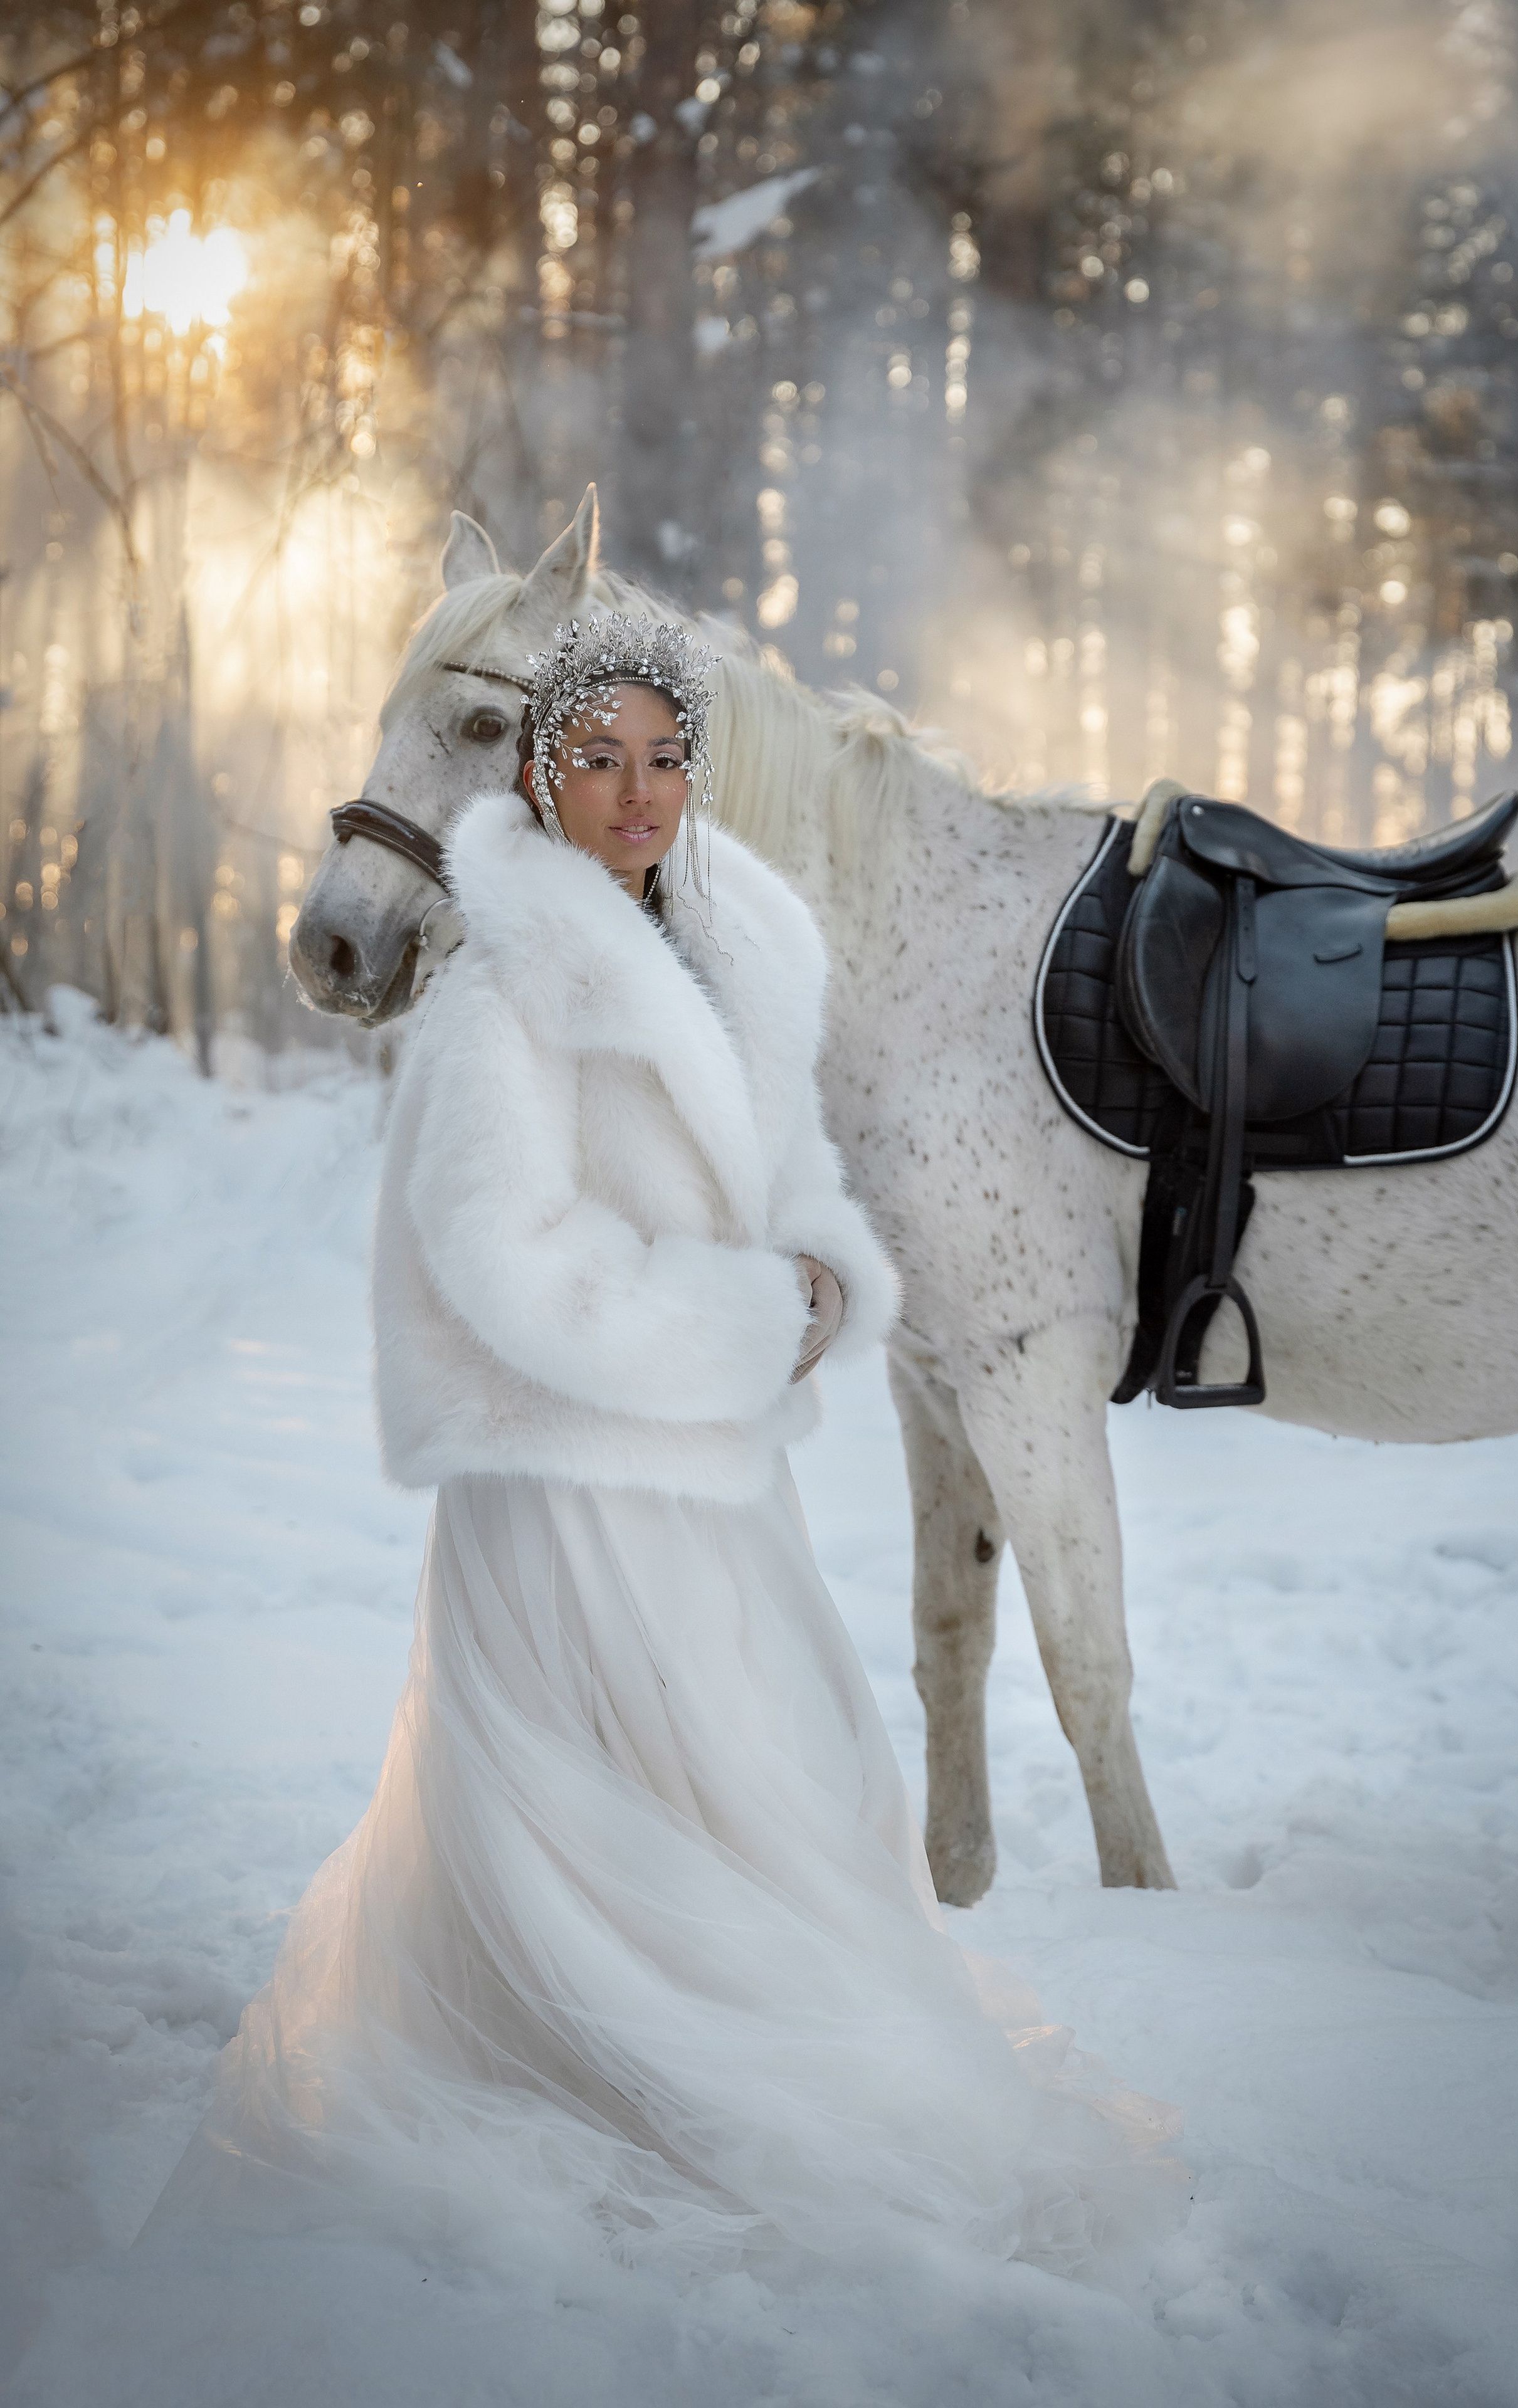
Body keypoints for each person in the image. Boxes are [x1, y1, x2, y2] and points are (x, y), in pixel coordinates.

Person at [156, 611, 1177, 2280]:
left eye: (664, 759)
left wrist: (821, 1269)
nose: (636, 792)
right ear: (537, 778)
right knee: (599, 1839)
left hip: (711, 1481)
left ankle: (758, 2073)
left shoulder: (736, 945)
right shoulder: (501, 986)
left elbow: (782, 1175)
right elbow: (503, 1259)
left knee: (779, 1798)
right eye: (597, 759)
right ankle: (599, 2083)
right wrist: (737, 1320)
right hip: (564, 1489)